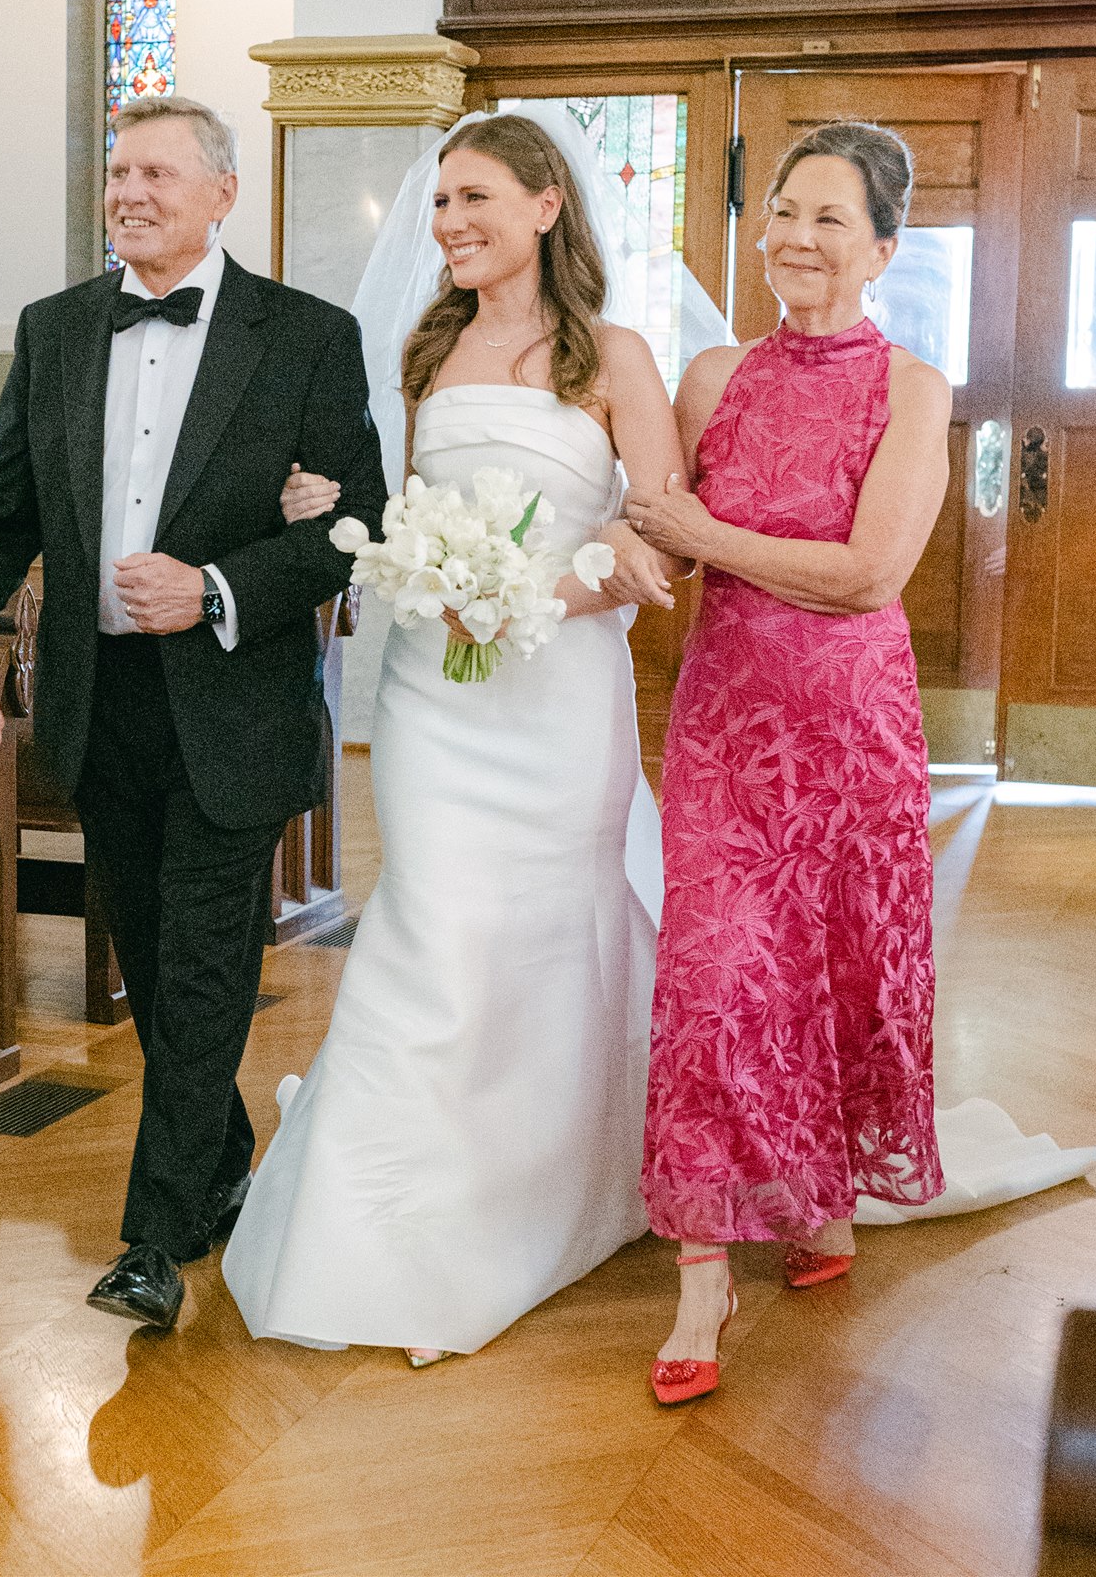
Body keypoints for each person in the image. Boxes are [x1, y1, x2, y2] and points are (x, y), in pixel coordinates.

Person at [221, 106, 727, 1364]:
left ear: (545, 205)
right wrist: (331, 508)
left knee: (555, 927)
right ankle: (398, 1221)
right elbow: (391, 507)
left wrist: (542, 591)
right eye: (439, 202)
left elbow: (659, 522)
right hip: (435, 702)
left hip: (560, 697)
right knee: (437, 923)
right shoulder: (422, 347)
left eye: (473, 198)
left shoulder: (611, 355)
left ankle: (564, 1184)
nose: (447, 223)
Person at [0, 94, 386, 1331]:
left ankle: (155, 1237)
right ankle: (225, 1155)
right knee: (150, 955)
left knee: (201, 961)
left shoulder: (305, 336)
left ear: (223, 191)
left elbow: (358, 530)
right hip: (96, 706)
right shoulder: (57, 328)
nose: (131, 193)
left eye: (159, 174)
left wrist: (219, 584)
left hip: (231, 705)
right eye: (119, 173)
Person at [626, 121, 951, 1406]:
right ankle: (702, 1268)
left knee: (832, 963)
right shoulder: (711, 376)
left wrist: (708, 531)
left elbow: (871, 573)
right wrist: (625, 544)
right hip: (723, 725)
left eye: (829, 216)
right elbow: (656, 526)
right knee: (717, 972)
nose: (796, 236)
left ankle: (819, 1204)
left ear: (882, 246)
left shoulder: (911, 389)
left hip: (854, 731)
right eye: (781, 210)